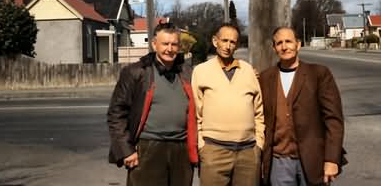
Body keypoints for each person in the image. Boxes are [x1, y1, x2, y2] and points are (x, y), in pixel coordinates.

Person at [107, 22, 198, 186]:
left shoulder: (188, 73)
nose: (169, 49)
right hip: (148, 148)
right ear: (154, 44)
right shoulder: (136, 72)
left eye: (174, 44)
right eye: (165, 44)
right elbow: (116, 114)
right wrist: (126, 151)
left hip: (182, 150)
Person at [259, 26, 346, 186]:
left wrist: (332, 159)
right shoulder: (265, 78)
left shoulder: (319, 74)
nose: (284, 47)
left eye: (288, 41)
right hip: (279, 160)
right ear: (274, 48)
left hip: (314, 159)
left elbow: (334, 120)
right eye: (279, 43)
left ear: (298, 45)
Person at [191, 23, 265, 186]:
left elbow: (259, 111)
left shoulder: (248, 71)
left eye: (232, 42)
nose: (228, 46)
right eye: (224, 40)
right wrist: (202, 146)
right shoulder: (201, 71)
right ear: (215, 41)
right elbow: (196, 112)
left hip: (248, 151)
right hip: (214, 150)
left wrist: (258, 144)